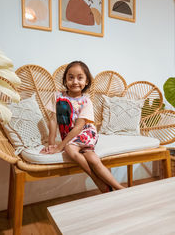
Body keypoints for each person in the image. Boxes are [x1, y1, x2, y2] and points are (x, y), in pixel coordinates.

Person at [40, 61, 124, 192]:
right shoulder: (57, 96)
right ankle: (111, 187)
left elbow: (79, 127)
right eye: (70, 77)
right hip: (71, 136)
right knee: (90, 157)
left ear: (86, 82)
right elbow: (53, 121)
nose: (75, 81)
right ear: (65, 80)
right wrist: (51, 143)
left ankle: (112, 185)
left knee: (69, 148)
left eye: (80, 78)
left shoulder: (86, 101)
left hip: (86, 132)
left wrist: (60, 146)